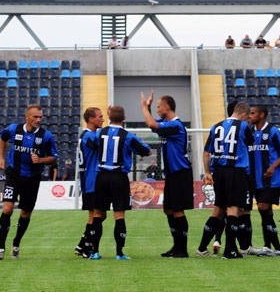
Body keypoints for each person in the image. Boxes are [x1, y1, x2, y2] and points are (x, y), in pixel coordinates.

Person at [0, 105, 58, 260]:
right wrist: (1, 157)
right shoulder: (13, 129)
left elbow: (53, 157)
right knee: (8, 208)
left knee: (25, 213)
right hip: (14, 175)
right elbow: (2, 139)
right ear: (27, 117)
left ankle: (16, 243)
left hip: (32, 178)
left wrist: (41, 160)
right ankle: (1, 247)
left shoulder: (46, 136)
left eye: (40, 117)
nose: (38, 120)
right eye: (35, 117)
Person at [88, 105, 152, 260]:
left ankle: (95, 252)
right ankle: (119, 253)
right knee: (119, 215)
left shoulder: (99, 133)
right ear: (124, 119)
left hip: (101, 176)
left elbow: (91, 145)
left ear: (109, 117)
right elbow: (147, 151)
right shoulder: (128, 136)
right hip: (119, 177)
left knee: (97, 214)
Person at [141, 92, 192, 258]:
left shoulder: (176, 125)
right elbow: (153, 124)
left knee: (177, 210)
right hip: (171, 173)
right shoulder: (167, 123)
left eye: (158, 106)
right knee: (168, 209)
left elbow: (152, 124)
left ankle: (182, 249)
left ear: (167, 107)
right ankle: (176, 246)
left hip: (180, 173)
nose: (157, 109)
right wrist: (148, 108)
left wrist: (144, 108)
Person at [200, 102, 254, 259]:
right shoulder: (243, 127)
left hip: (218, 172)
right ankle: (230, 250)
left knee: (218, 210)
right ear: (243, 114)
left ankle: (203, 247)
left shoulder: (216, 126)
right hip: (236, 172)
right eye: (247, 116)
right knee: (233, 210)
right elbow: (251, 144)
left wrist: (207, 173)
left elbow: (206, 153)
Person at [247, 105, 280, 256]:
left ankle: (274, 248)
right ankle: (272, 247)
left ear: (262, 115)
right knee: (266, 213)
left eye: (253, 113)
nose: (250, 116)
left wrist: (272, 167)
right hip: (255, 179)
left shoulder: (272, 131)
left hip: (270, 180)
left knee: (263, 208)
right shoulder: (250, 132)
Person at [74, 107, 105, 258]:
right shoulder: (89, 136)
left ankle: (82, 244)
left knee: (100, 215)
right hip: (91, 180)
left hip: (92, 179)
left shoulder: (86, 135)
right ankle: (87, 248)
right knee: (95, 215)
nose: (103, 119)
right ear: (91, 119)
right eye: (100, 117)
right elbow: (102, 145)